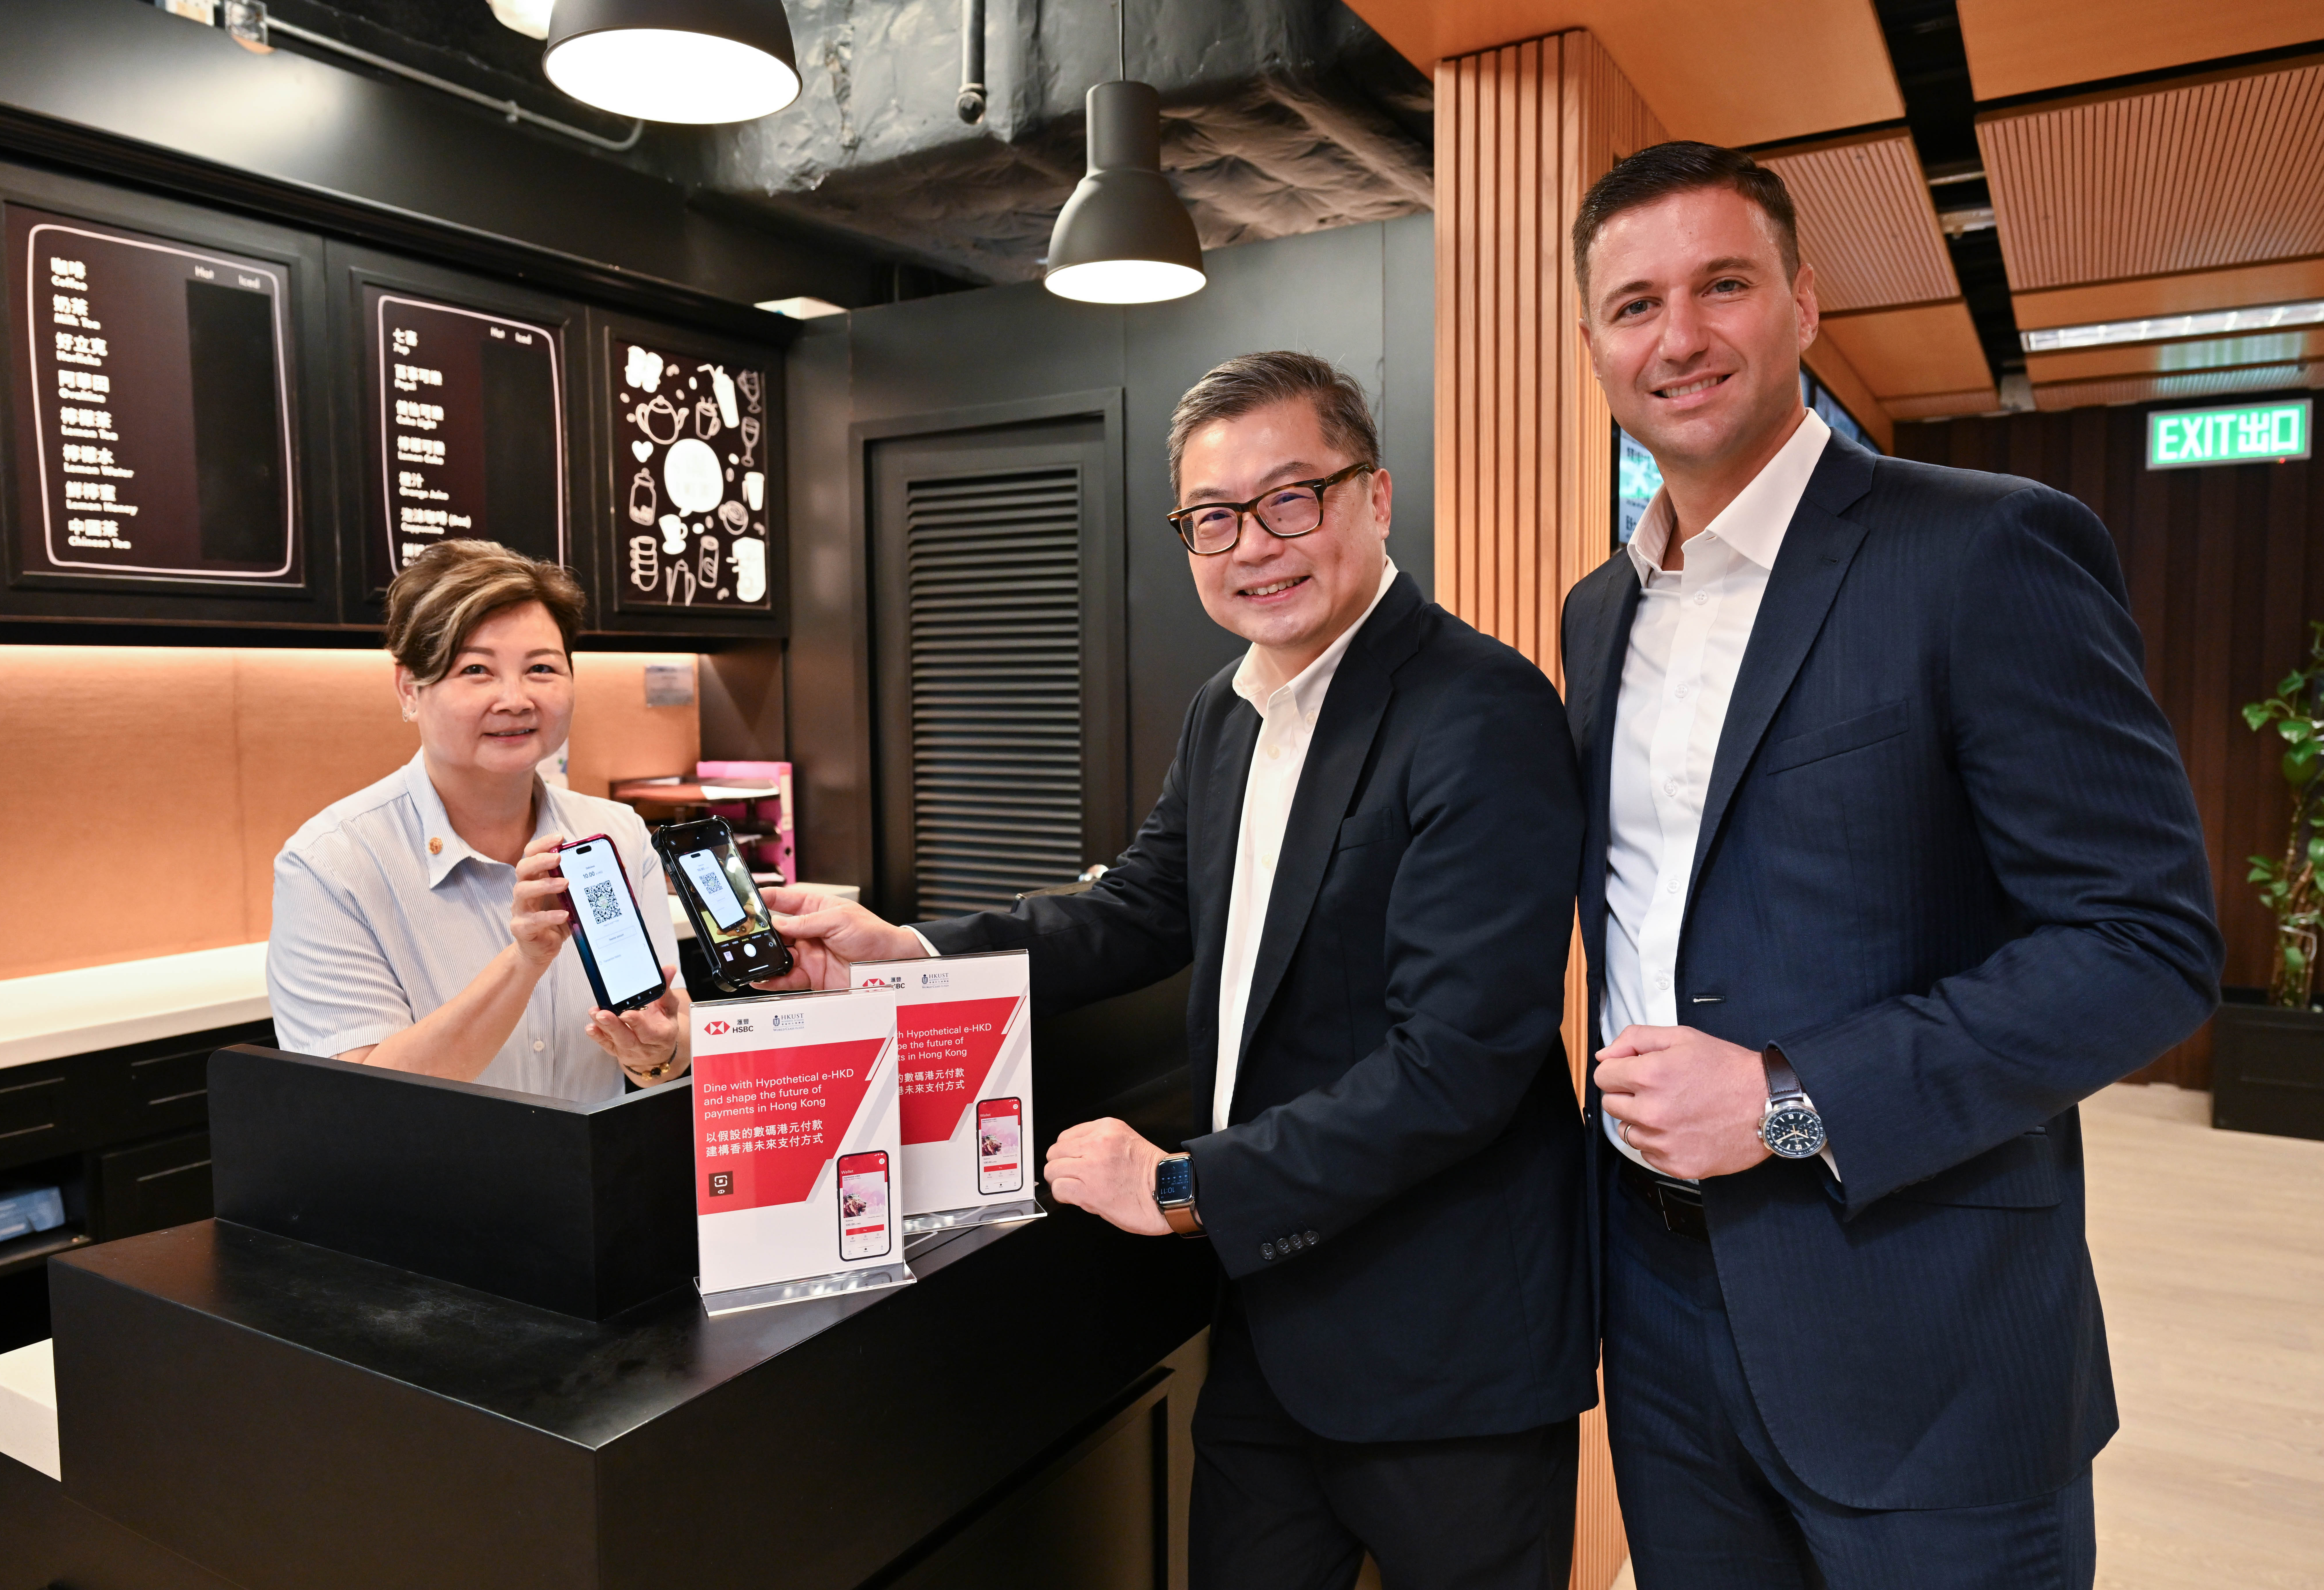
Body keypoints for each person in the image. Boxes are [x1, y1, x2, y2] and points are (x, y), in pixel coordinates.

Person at [762, 352, 1590, 1589]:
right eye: (1214, 517)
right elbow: (1143, 908)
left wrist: (1189, 1180)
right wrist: (911, 950)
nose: (1253, 544)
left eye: (1290, 497)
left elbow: (1460, 1062)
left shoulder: (1481, 710)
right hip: (1270, 1320)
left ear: (1376, 496)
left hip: (1446, 1337)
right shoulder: (1230, 709)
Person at [1560, 141, 2223, 1587]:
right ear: (1592, 343)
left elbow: (2143, 944)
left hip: (1918, 1316)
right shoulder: (1595, 614)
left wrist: (1788, 1103)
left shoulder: (1982, 552)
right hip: (1659, 1309)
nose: (1675, 337)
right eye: (1631, 304)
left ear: (1800, 302)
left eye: (1719, 285)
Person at [268, 539, 688, 1100]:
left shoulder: (615, 834)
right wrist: (523, 964)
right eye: (476, 670)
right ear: (409, 689)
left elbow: (666, 1040)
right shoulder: (330, 865)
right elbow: (364, 1100)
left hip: (592, 1177)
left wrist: (658, 1052)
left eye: (541, 668)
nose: (515, 699)